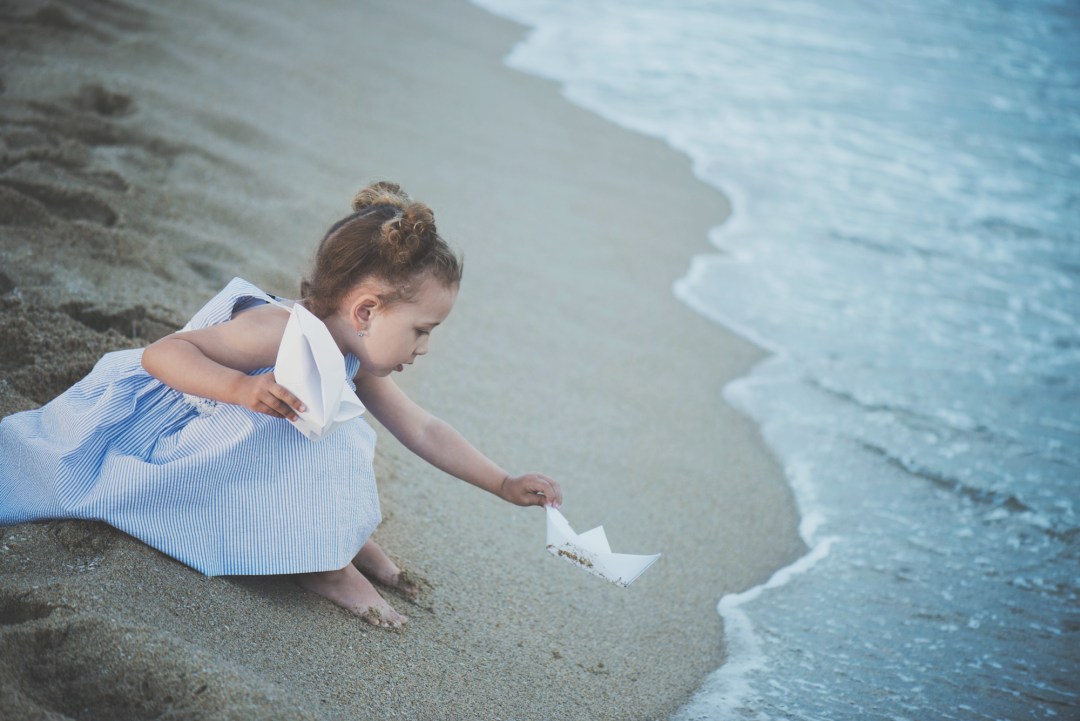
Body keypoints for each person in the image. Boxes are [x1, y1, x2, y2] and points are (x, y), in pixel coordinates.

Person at [0, 181, 562, 628]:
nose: (425, 346)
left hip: (237, 451)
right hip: (173, 433)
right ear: (366, 311)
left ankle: (335, 535)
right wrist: (240, 388)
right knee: (330, 438)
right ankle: (325, 564)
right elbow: (162, 355)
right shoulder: (276, 331)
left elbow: (422, 429)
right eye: (421, 329)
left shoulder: (351, 354)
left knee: (337, 432)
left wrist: (504, 483)